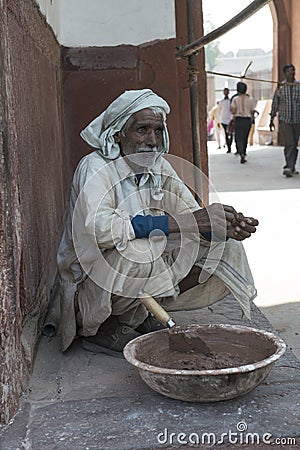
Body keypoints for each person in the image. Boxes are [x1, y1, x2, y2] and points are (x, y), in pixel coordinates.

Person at [56, 89, 259, 357]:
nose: (152, 140)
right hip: (91, 279)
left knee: (224, 247)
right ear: (119, 134)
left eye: (157, 130)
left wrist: (217, 227)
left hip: (138, 266)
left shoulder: (159, 166)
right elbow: (100, 230)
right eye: (142, 130)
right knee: (142, 251)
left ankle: (139, 314)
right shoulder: (94, 167)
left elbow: (191, 215)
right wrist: (180, 222)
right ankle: (104, 327)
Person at [269, 64, 300, 177]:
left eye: (293, 70)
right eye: (288, 71)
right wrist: (272, 118)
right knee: (289, 143)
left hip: (297, 120)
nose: (291, 73)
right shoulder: (280, 87)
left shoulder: (298, 86)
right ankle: (289, 166)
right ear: (285, 73)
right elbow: (275, 104)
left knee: (294, 144)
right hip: (285, 120)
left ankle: (292, 165)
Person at [230, 82, 256, 164]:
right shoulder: (251, 99)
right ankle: (244, 152)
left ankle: (240, 151)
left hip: (238, 119)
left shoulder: (235, 99)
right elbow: (252, 111)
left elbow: (233, 111)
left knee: (238, 137)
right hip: (247, 120)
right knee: (245, 137)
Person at [218, 88, 233, 153]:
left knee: (231, 133)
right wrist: (219, 120)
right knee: (226, 134)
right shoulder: (221, 102)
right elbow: (219, 111)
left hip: (230, 120)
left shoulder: (231, 101)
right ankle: (228, 147)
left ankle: (230, 145)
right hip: (223, 120)